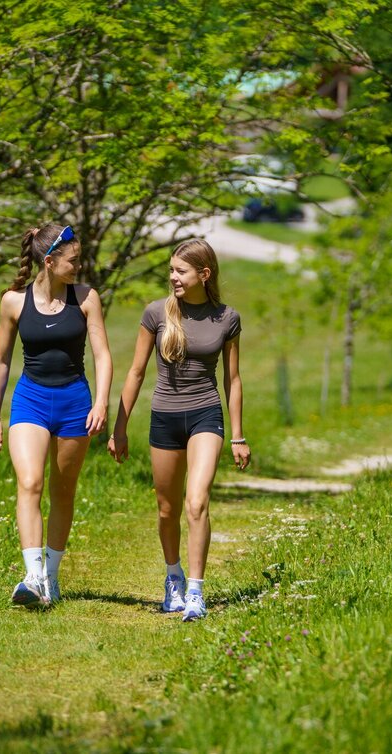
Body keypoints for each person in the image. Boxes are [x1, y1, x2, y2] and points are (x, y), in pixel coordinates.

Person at [108, 238, 250, 622]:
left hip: (205, 415)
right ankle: (173, 577)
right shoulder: (156, 313)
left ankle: (196, 592)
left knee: (196, 502)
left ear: (204, 274)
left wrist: (238, 436)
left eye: (180, 271)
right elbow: (136, 372)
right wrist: (119, 428)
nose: (173, 277)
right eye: (171, 270)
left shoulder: (227, 318)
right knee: (167, 509)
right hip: (165, 418)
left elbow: (233, 379)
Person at [0, 223, 112, 608]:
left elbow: (103, 355)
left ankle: (51, 577)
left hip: (75, 403)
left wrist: (101, 403)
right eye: (73, 260)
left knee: (62, 490)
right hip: (31, 400)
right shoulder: (13, 302)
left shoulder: (87, 297)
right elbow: (1, 359)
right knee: (30, 482)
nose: (79, 265)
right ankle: (33, 575)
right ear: (50, 261)